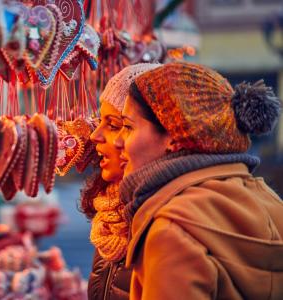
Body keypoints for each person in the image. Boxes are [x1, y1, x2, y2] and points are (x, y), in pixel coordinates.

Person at [114, 61, 283, 299]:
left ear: (173, 136)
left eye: (128, 127)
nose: (117, 141)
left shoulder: (172, 232)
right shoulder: (270, 201)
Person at [79, 63, 161, 300]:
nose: (96, 135)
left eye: (115, 125)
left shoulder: (161, 222)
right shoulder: (110, 217)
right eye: (100, 122)